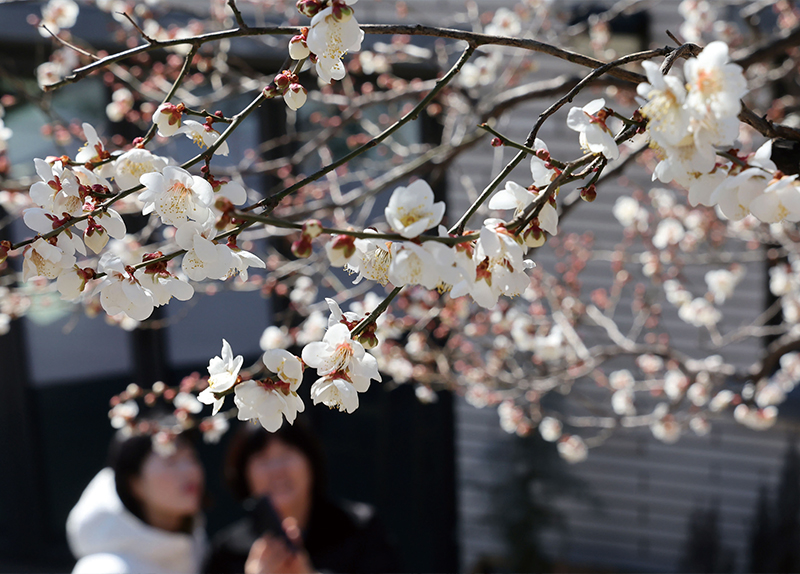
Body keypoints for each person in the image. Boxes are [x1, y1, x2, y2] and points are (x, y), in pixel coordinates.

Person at [204, 420, 401, 574]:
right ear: (243, 473)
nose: (277, 470)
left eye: (287, 453)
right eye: (263, 458)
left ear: (311, 462)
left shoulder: (358, 528)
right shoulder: (228, 551)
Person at [67, 432, 207, 574]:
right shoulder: (106, 569)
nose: (191, 470)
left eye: (192, 458)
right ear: (134, 483)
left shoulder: (198, 551)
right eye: (171, 461)